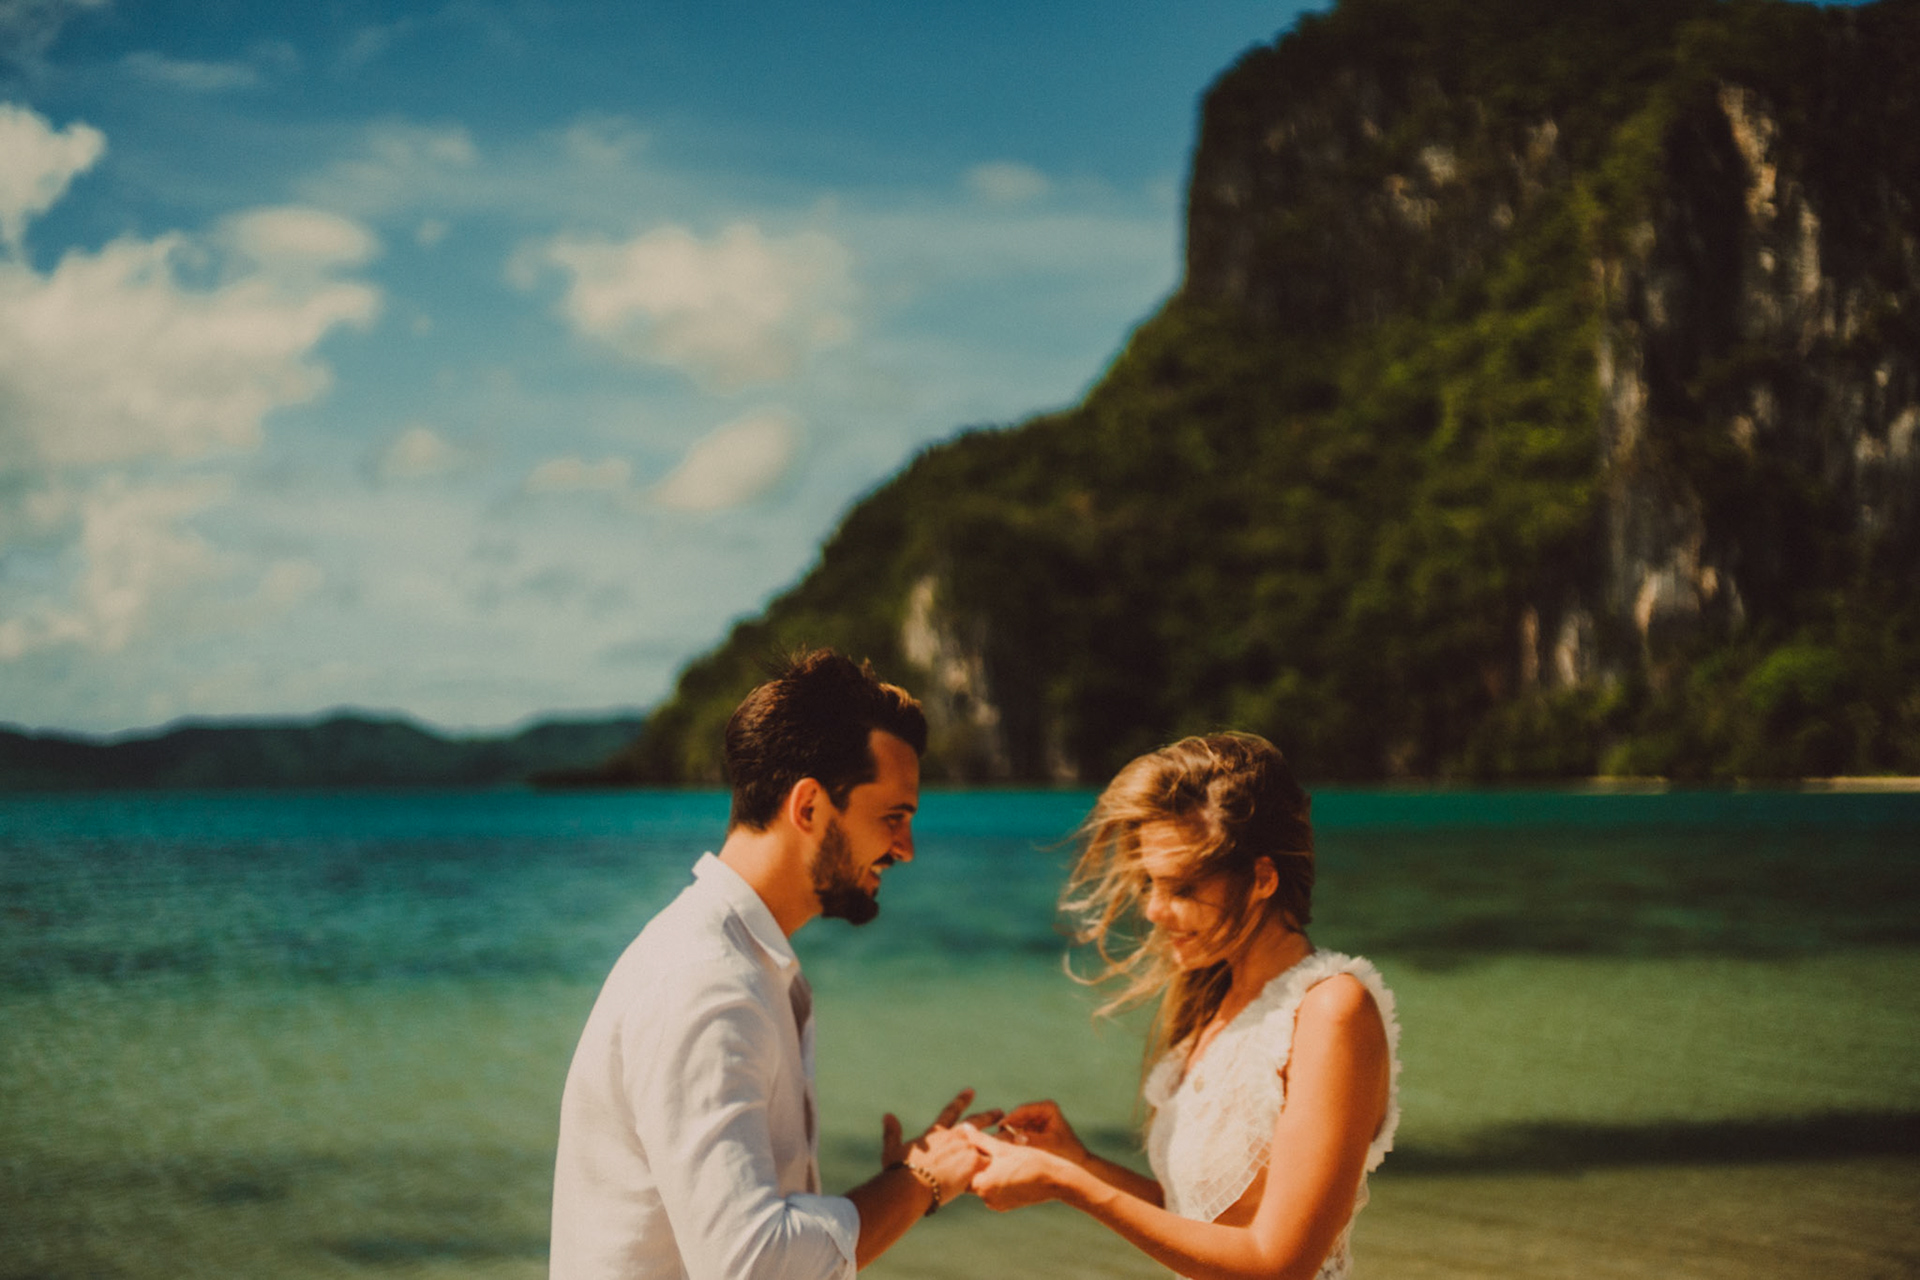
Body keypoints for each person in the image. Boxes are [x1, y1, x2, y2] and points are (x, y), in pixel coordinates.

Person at [550, 649, 991, 1280]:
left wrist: (905, 1184)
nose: (907, 849)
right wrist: (919, 1183)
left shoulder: (735, 961)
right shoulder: (707, 981)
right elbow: (754, 1265)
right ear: (808, 807)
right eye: (894, 817)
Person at [963, 732, 1400, 1280]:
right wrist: (1080, 1162)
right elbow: (1206, 1222)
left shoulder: (1332, 1013)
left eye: (1182, 889)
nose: (1152, 910)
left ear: (1263, 878)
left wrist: (1070, 1186)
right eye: (1150, 883)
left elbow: (1279, 1265)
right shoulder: (1215, 1006)